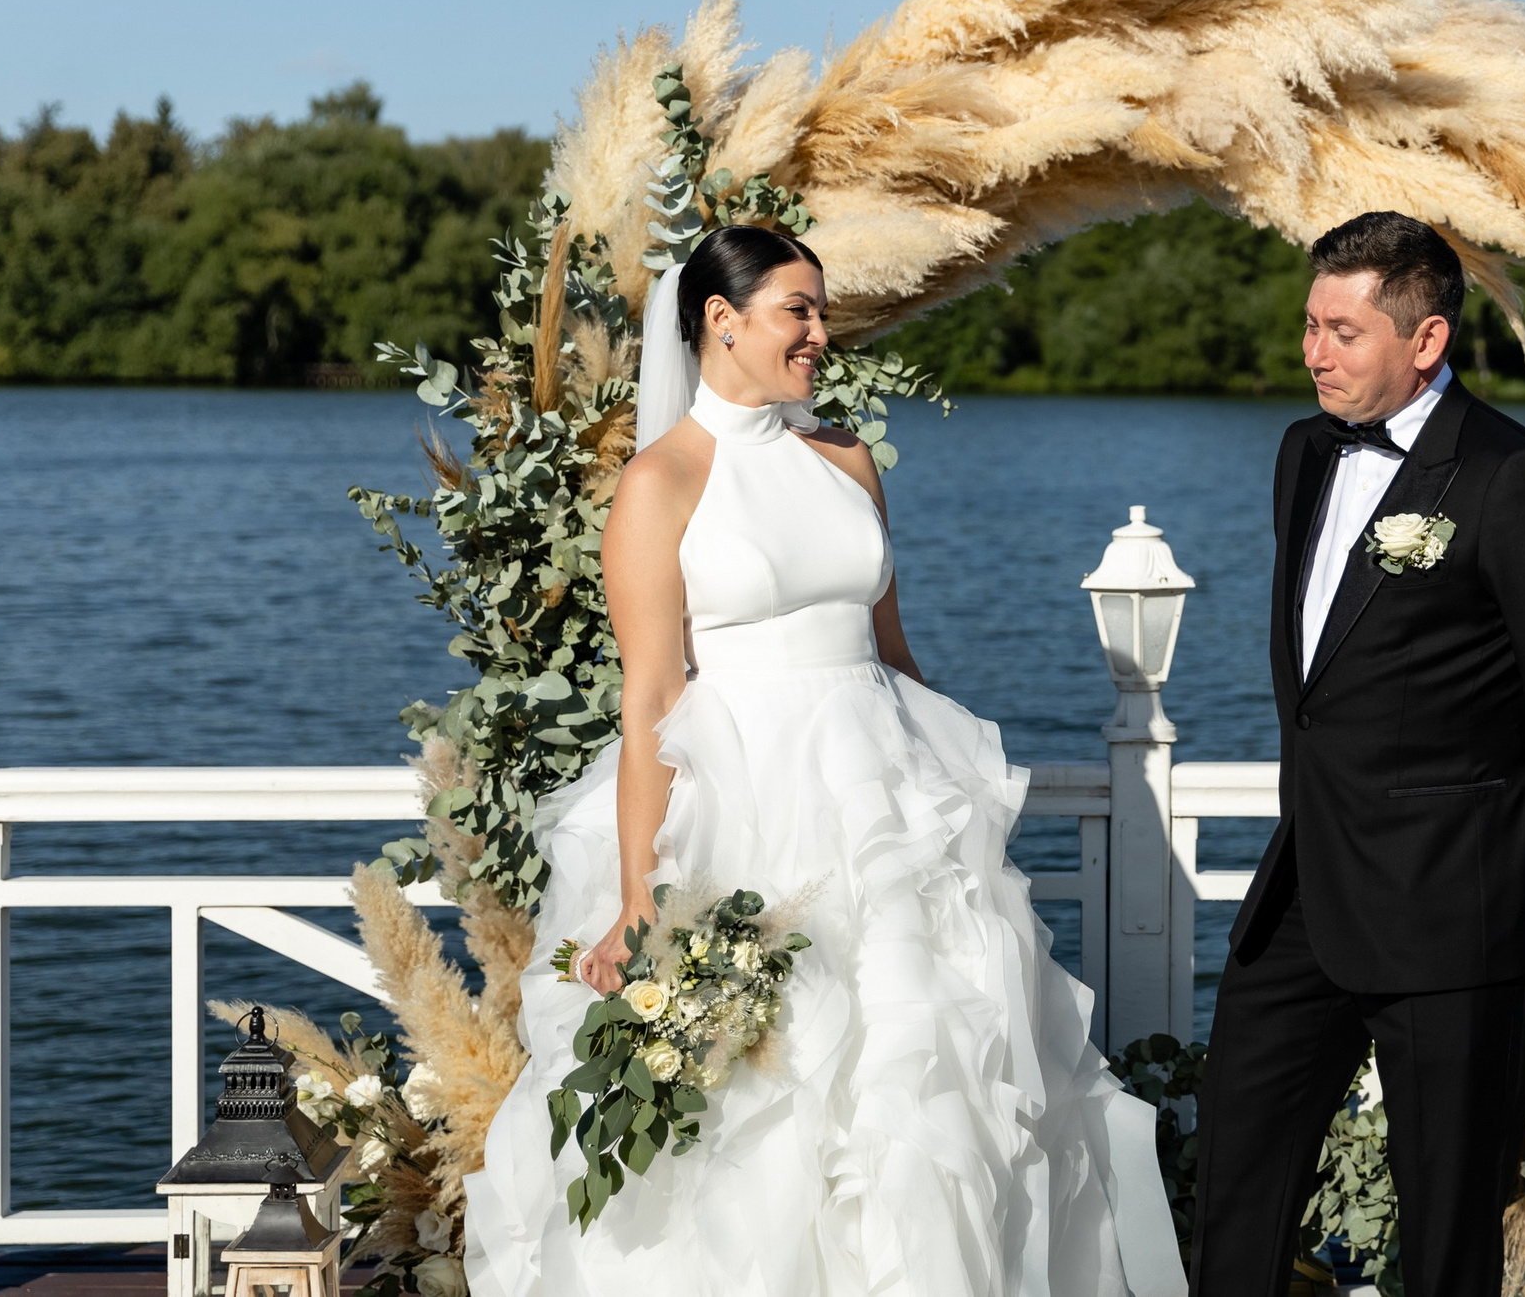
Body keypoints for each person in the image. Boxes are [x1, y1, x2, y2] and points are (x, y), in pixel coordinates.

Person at [464, 225, 1185, 1297]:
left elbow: (893, 652)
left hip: (882, 800)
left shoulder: (846, 458)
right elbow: (651, 694)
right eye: (796, 310)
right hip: (749, 804)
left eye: (820, 311)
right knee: (771, 1091)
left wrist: (954, 793)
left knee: (923, 1074)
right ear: (722, 319)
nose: (819, 333)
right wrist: (639, 895)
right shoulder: (661, 482)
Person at [1190, 212, 1525, 1297]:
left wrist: (1515, 888)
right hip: (1305, 891)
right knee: (1236, 1168)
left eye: (1343, 332)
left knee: (1446, 1231)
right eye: (1310, 325)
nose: (1314, 351)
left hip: (1455, 917)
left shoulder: (1514, 481)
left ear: (1426, 339)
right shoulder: (1305, 453)